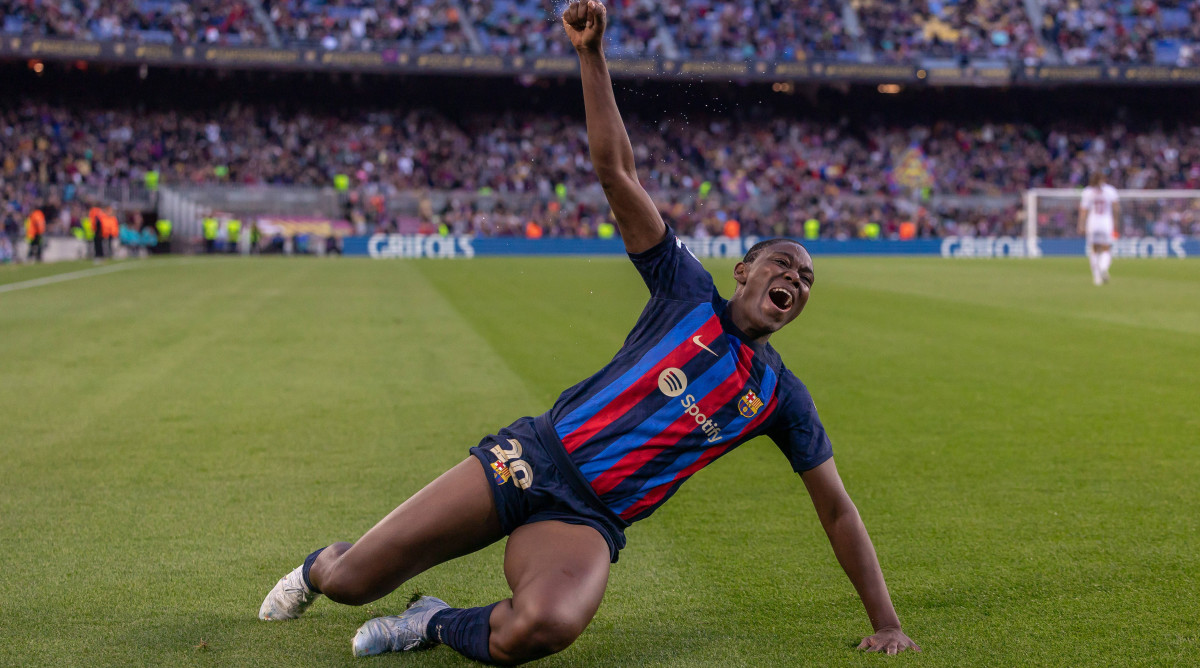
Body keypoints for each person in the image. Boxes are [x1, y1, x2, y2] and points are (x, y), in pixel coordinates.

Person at [258, 1, 919, 662]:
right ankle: (315, 570)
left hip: (585, 520)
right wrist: (591, 55)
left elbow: (837, 509)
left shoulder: (779, 396)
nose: (796, 282)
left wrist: (886, 621)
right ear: (744, 269)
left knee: (541, 628)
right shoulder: (684, 287)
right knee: (354, 581)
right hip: (530, 459)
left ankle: (433, 621)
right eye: (785, 265)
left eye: (806, 283)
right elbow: (617, 173)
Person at [1078, 173, 1119, 285]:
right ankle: (1103, 267)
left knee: (1094, 250)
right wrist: (1116, 223)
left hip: (1093, 223)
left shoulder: (1087, 192)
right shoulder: (1110, 191)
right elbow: (1116, 209)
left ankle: (1096, 277)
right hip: (1106, 223)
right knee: (1106, 249)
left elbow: (1083, 211)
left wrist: (1081, 225)